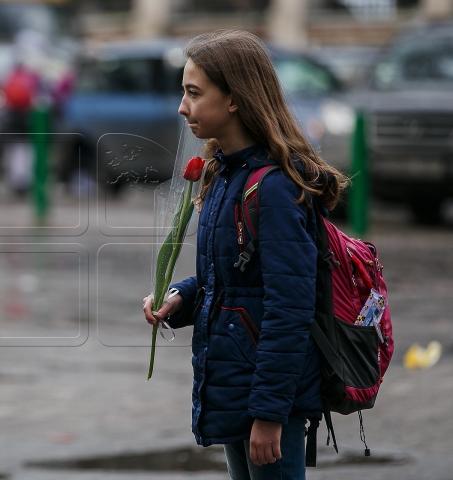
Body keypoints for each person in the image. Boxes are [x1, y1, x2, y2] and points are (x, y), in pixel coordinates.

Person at [142, 30, 348, 480]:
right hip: (238, 384)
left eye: (193, 93)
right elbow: (233, 279)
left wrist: (271, 413)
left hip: (268, 396)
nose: (182, 107)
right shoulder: (223, 176)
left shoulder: (273, 188)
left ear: (234, 98)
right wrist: (180, 298)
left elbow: (289, 307)